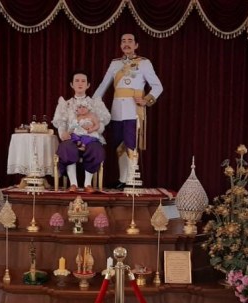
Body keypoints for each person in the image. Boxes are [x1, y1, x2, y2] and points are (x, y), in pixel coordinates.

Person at [93, 33, 164, 190]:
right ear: (120, 45)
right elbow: (103, 86)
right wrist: (90, 106)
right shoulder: (115, 64)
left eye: (130, 41)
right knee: (119, 146)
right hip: (117, 110)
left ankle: (132, 179)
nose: (126, 44)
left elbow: (158, 86)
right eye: (123, 41)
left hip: (133, 110)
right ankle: (122, 179)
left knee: (131, 144)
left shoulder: (144, 63)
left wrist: (147, 99)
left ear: (136, 45)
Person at [52, 70, 110, 193]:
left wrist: (93, 129)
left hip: (90, 137)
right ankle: (73, 184)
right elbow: (61, 123)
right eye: (77, 81)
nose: (80, 83)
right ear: (71, 84)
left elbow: (102, 122)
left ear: (88, 85)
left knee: (96, 148)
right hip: (72, 137)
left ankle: (87, 184)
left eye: (83, 81)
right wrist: (63, 134)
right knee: (66, 148)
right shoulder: (65, 104)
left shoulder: (95, 103)